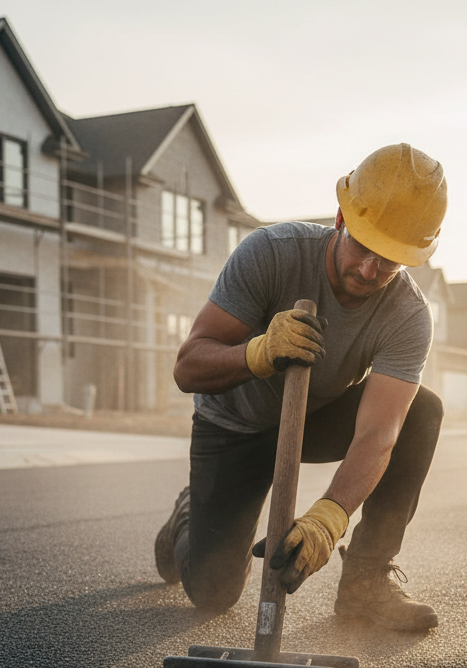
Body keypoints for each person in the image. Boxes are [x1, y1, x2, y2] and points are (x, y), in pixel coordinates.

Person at [155, 143, 447, 632]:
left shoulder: (409, 315)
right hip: (234, 423)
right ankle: (187, 518)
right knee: (213, 592)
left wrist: (329, 517)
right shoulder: (271, 253)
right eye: (362, 246)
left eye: (390, 260)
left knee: (424, 412)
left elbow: (379, 433)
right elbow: (188, 368)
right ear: (340, 217)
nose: (369, 271)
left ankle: (366, 584)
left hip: (315, 416)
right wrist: (259, 353)